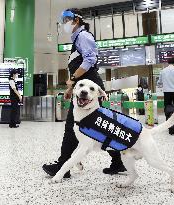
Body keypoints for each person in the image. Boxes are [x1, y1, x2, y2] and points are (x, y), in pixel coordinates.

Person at [42, 9, 126, 178]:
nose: (65, 22)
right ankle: (118, 162)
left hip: (90, 90)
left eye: (68, 19)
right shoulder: (77, 40)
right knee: (100, 127)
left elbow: (89, 60)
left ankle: (62, 166)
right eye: (63, 19)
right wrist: (70, 88)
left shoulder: (84, 36)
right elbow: (80, 68)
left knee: (72, 127)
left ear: (77, 20)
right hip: (84, 88)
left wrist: (72, 79)